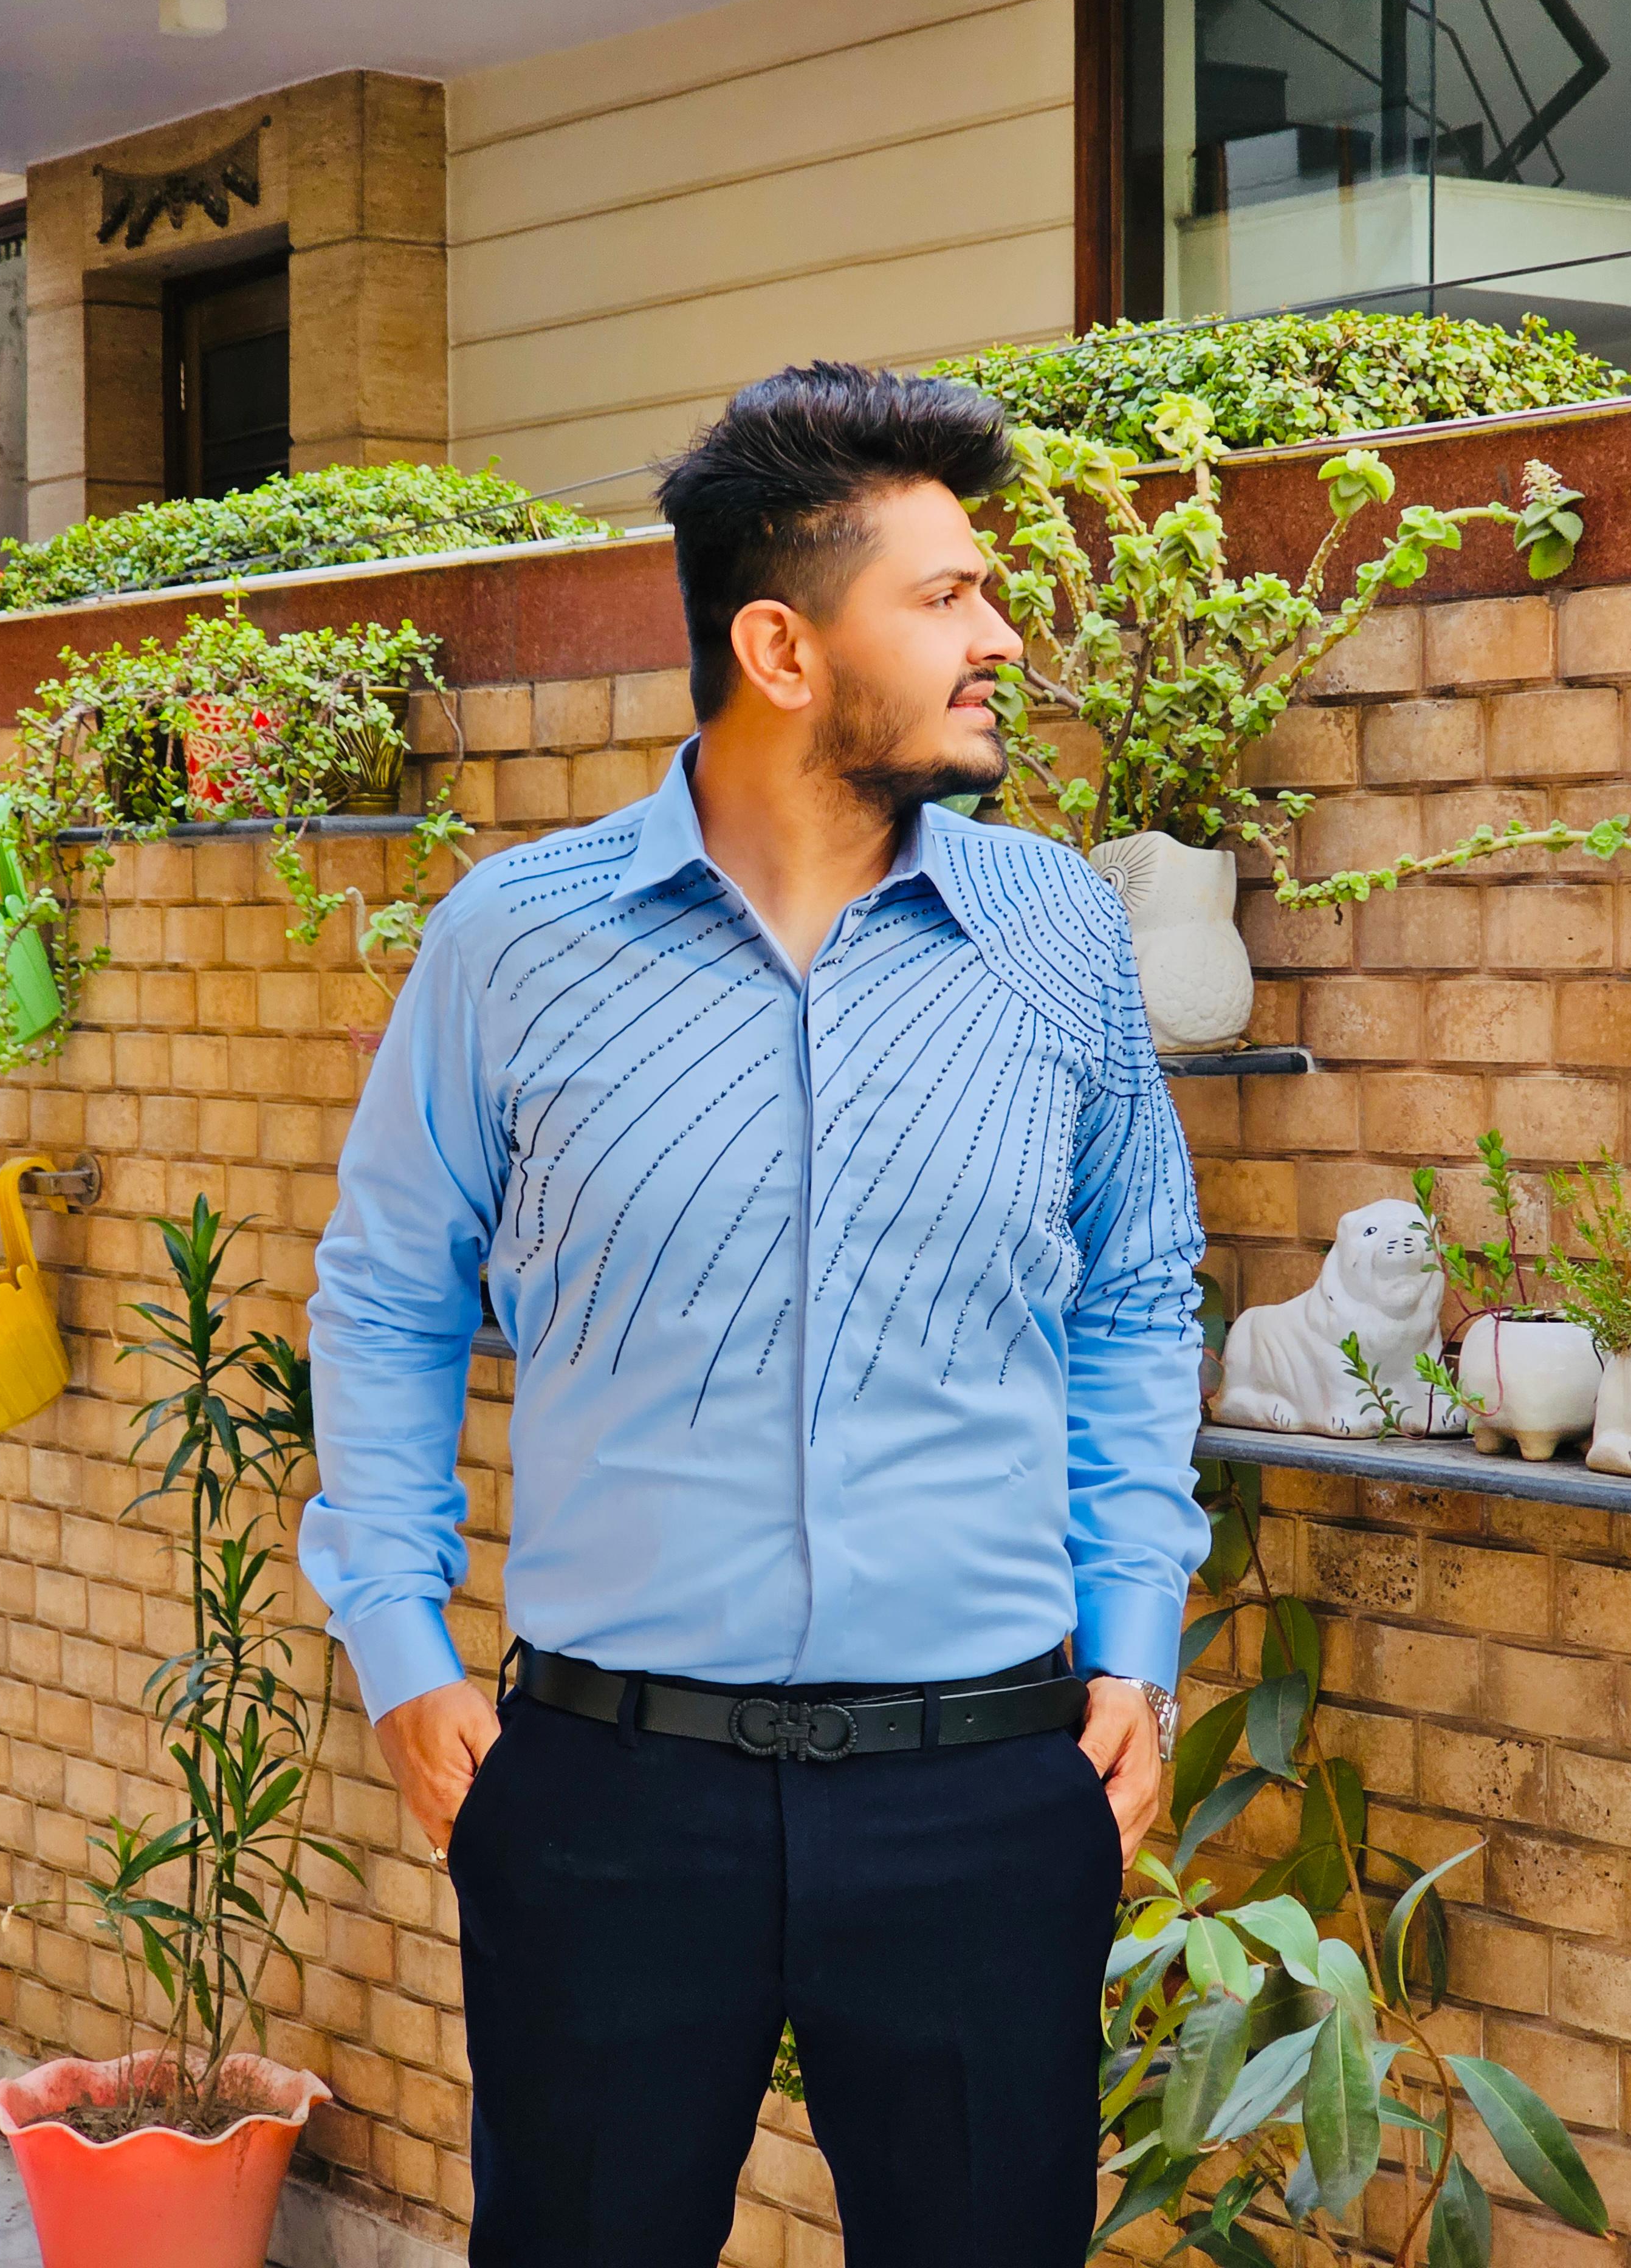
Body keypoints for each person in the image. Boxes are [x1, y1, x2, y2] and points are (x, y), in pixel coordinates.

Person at [301, 360, 1208, 2268]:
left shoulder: (1059, 934)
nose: (1001, 636)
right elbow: (387, 1291)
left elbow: (1135, 1293)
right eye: (947, 598)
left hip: (986, 1793)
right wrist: (400, 1635)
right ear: (781, 647)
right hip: (611, 1804)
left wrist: (1134, 1642)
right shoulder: (515, 942)